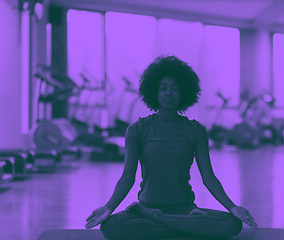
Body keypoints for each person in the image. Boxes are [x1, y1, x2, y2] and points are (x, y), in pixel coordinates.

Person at [85, 56, 258, 240]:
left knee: (231, 224)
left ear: (184, 93)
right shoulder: (137, 129)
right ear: (154, 92)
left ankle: (158, 220)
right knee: (111, 227)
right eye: (163, 88)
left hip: (184, 209)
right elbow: (127, 177)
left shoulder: (196, 130)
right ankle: (183, 227)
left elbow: (208, 177)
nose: (169, 93)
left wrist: (232, 207)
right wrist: (108, 207)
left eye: (175, 88)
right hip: (149, 205)